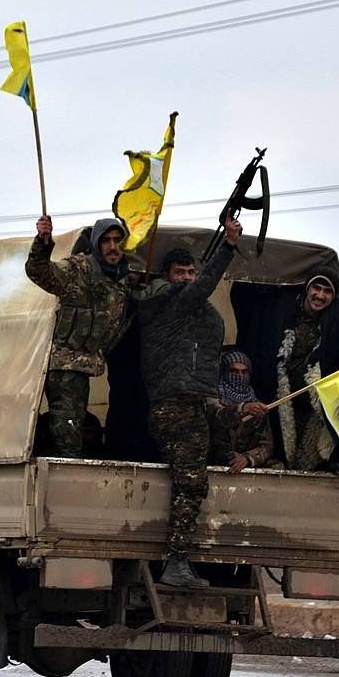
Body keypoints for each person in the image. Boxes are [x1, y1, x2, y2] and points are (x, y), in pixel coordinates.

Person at [136, 217, 242, 588]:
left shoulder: (193, 308)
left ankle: (179, 560)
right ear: (167, 276)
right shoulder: (167, 301)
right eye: (180, 271)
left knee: (190, 479)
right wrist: (227, 247)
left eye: (191, 271)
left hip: (193, 400)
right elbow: (202, 289)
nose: (187, 277)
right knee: (191, 483)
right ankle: (176, 562)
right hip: (176, 403)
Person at [232, 267, 339, 473]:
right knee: (279, 448)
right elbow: (249, 306)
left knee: (319, 449)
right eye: (316, 288)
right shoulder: (282, 309)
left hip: (318, 406)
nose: (320, 296)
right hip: (277, 401)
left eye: (327, 291)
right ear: (307, 289)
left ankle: (335, 463)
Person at [25, 214, 132, 457]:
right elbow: (38, 271)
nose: (113, 247)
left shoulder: (122, 281)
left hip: (88, 363)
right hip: (65, 363)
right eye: (106, 241)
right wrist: (43, 243)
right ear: (96, 244)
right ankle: (65, 473)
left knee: (76, 424)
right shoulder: (78, 269)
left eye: (117, 240)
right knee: (67, 428)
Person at [208, 350, 274, 472]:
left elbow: (267, 445)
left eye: (244, 372)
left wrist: (247, 458)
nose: (239, 376)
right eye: (234, 371)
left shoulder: (257, 406)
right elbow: (216, 417)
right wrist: (242, 409)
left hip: (242, 469)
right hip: (212, 463)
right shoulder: (212, 397)